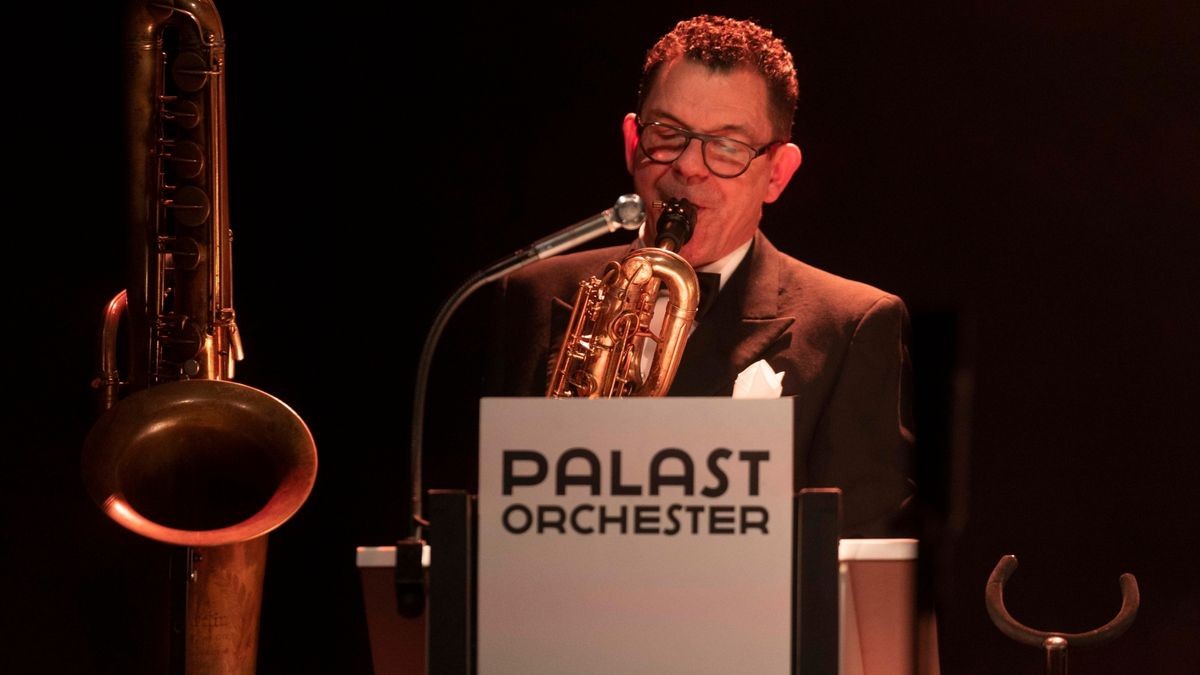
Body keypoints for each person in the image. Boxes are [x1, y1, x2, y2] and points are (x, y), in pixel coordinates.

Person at [485, 15, 914, 537]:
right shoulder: (530, 294)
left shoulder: (852, 326)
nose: (689, 167)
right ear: (631, 141)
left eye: (727, 146)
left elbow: (863, 571)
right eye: (667, 134)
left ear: (777, 173)